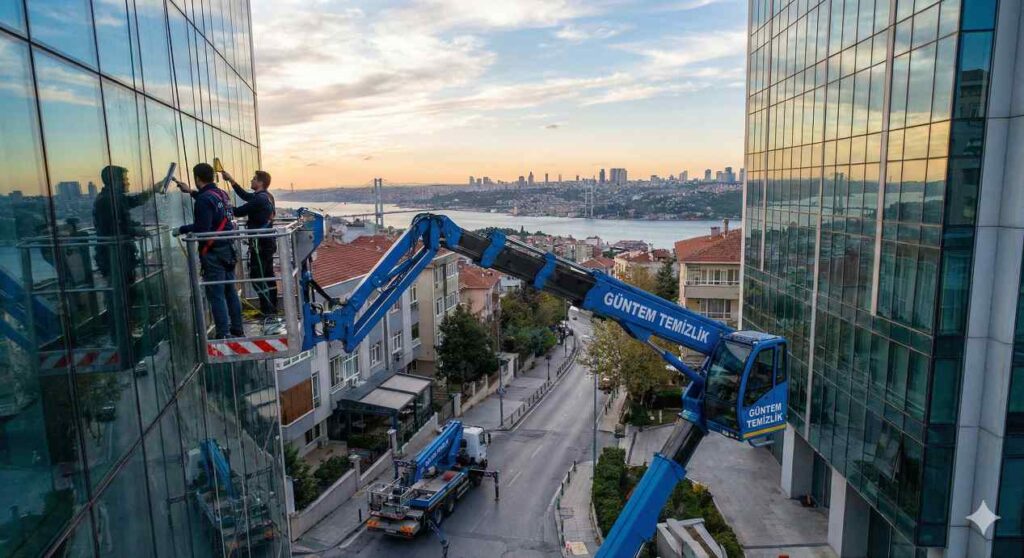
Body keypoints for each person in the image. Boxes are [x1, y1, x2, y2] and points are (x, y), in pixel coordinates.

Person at [174, 163, 243, 339]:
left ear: (197, 178)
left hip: (214, 253)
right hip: (228, 249)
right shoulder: (222, 194)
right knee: (230, 291)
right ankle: (237, 328)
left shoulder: (205, 199)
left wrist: (181, 229)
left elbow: (202, 228)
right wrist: (190, 192)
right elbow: (212, 206)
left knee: (216, 294)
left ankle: (223, 333)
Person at [222, 168, 277, 316]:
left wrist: (222, 205)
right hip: (266, 242)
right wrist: (232, 181)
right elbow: (246, 196)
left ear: (260, 182)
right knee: (267, 275)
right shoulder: (267, 196)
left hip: (261, 244)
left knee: (257, 276)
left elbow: (239, 211)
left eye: (254, 179)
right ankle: (271, 309)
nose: (251, 181)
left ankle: (267, 310)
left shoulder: (259, 199)